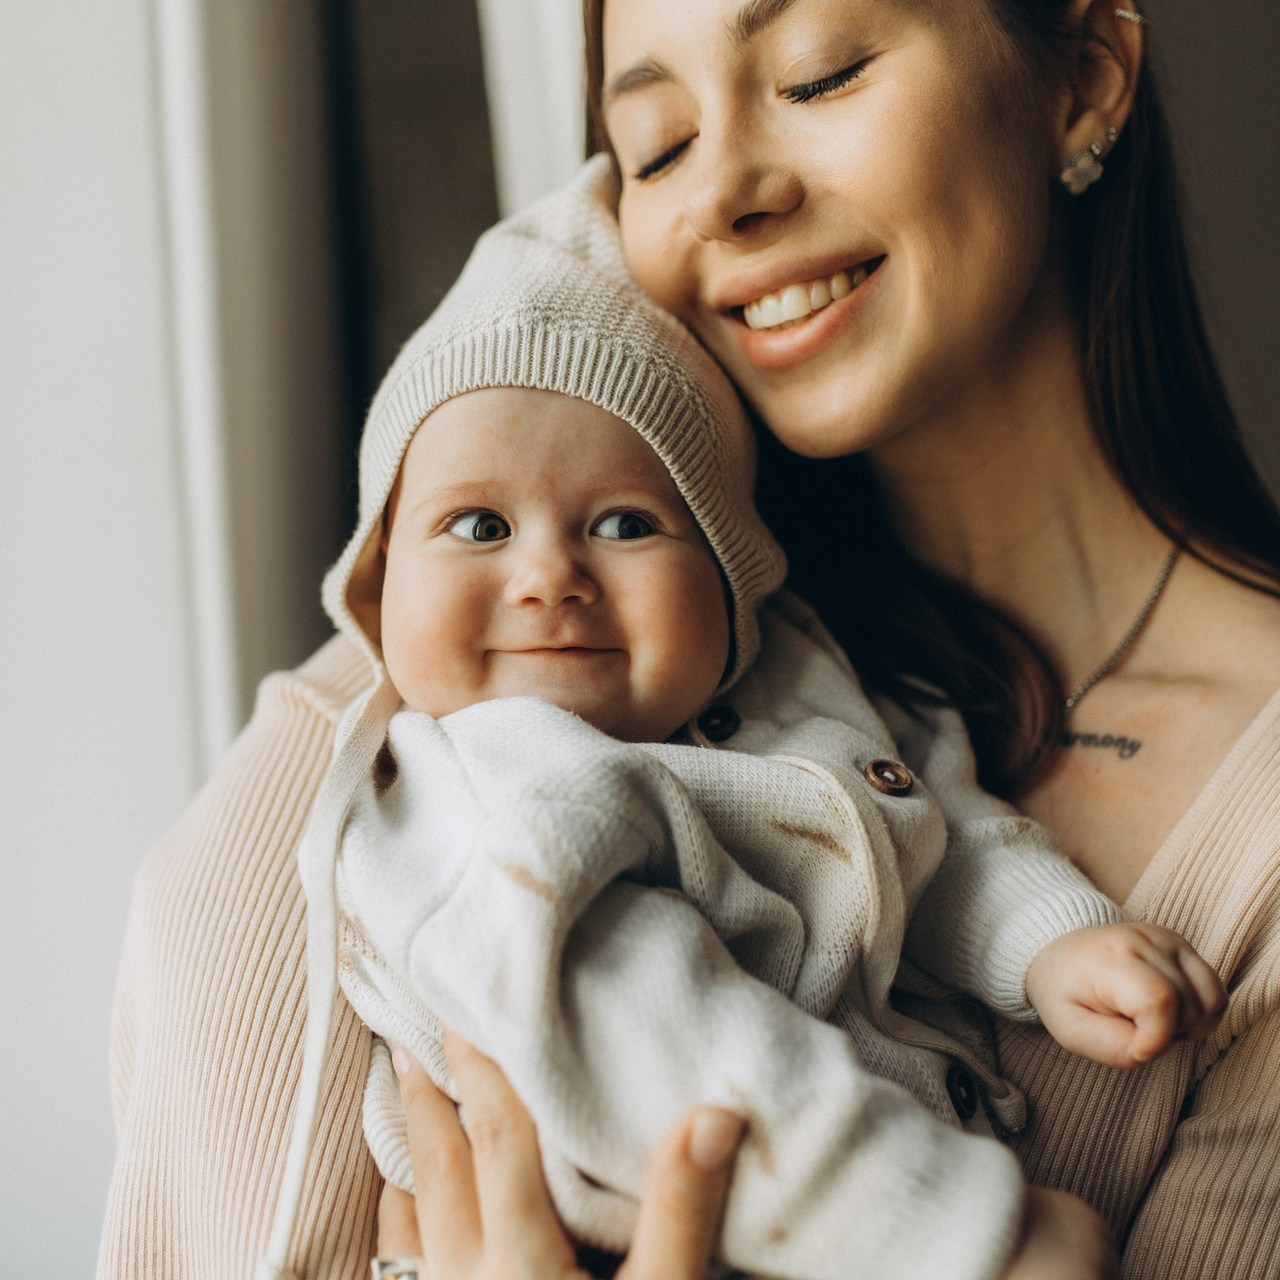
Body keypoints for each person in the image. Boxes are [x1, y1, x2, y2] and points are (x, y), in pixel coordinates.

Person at [97, 1, 1280, 1278]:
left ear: (1083, 78)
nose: (720, 190)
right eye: (654, 145)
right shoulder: (480, 695)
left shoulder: (756, 669)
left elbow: (934, 837)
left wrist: (1044, 933)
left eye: (819, 73)